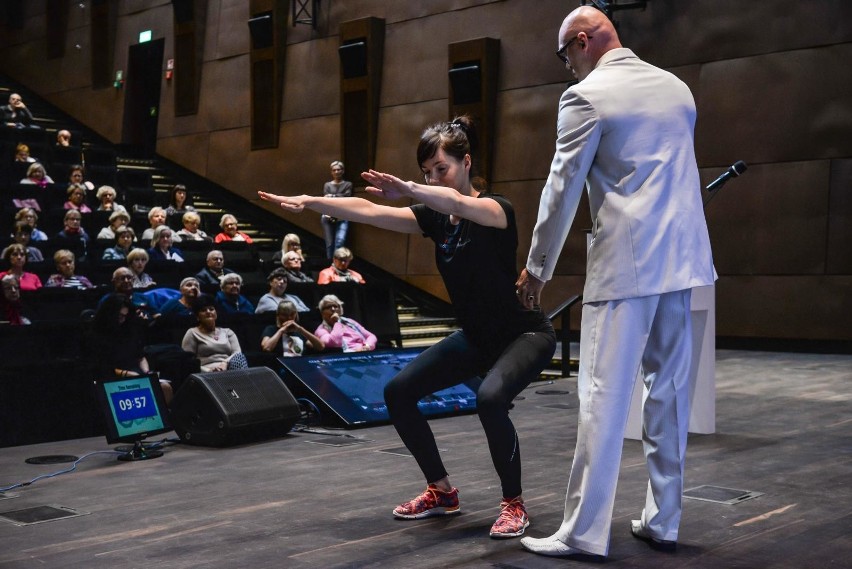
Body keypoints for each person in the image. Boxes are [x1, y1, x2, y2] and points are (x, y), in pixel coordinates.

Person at [259, 114, 556, 539]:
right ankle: (441, 491)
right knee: (398, 392)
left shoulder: (495, 210)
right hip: (478, 337)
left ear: (466, 162)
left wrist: (414, 189)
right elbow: (369, 210)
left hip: (524, 333)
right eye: (426, 173)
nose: (434, 180)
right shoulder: (435, 220)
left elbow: (456, 203)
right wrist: (311, 201)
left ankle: (514, 504)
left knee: (490, 399)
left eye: (441, 170)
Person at [513, 7, 717, 559]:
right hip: (684, 260)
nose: (566, 69)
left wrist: (537, 267)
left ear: (583, 41)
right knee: (669, 395)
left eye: (565, 57)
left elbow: (562, 188)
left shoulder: (587, 96)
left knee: (602, 397)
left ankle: (582, 532)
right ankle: (663, 521)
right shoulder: (676, 89)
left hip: (628, 265)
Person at [89, 293, 174, 404]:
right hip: (111, 376)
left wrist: (147, 372)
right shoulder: (95, 336)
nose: (122, 320)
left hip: (135, 374)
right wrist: (127, 374)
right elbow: (101, 366)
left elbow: (140, 357)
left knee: (165, 387)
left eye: (124, 316)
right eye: (119, 316)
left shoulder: (129, 331)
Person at [181, 295, 248, 372]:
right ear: (197, 316)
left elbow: (237, 354)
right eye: (203, 310)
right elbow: (188, 361)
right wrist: (209, 370)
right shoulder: (192, 333)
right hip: (205, 374)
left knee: (240, 357)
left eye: (211, 309)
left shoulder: (228, 332)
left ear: (216, 313)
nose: (208, 311)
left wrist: (225, 363)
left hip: (230, 369)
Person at [320, 160, 353, 258]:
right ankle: (330, 263)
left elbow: (347, 198)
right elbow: (326, 199)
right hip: (328, 214)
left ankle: (338, 263)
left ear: (342, 171)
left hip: (343, 214)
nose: (336, 172)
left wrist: (332, 196)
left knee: (340, 240)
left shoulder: (348, 184)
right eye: (334, 170)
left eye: (338, 170)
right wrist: (338, 196)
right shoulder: (327, 185)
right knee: (329, 242)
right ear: (331, 172)